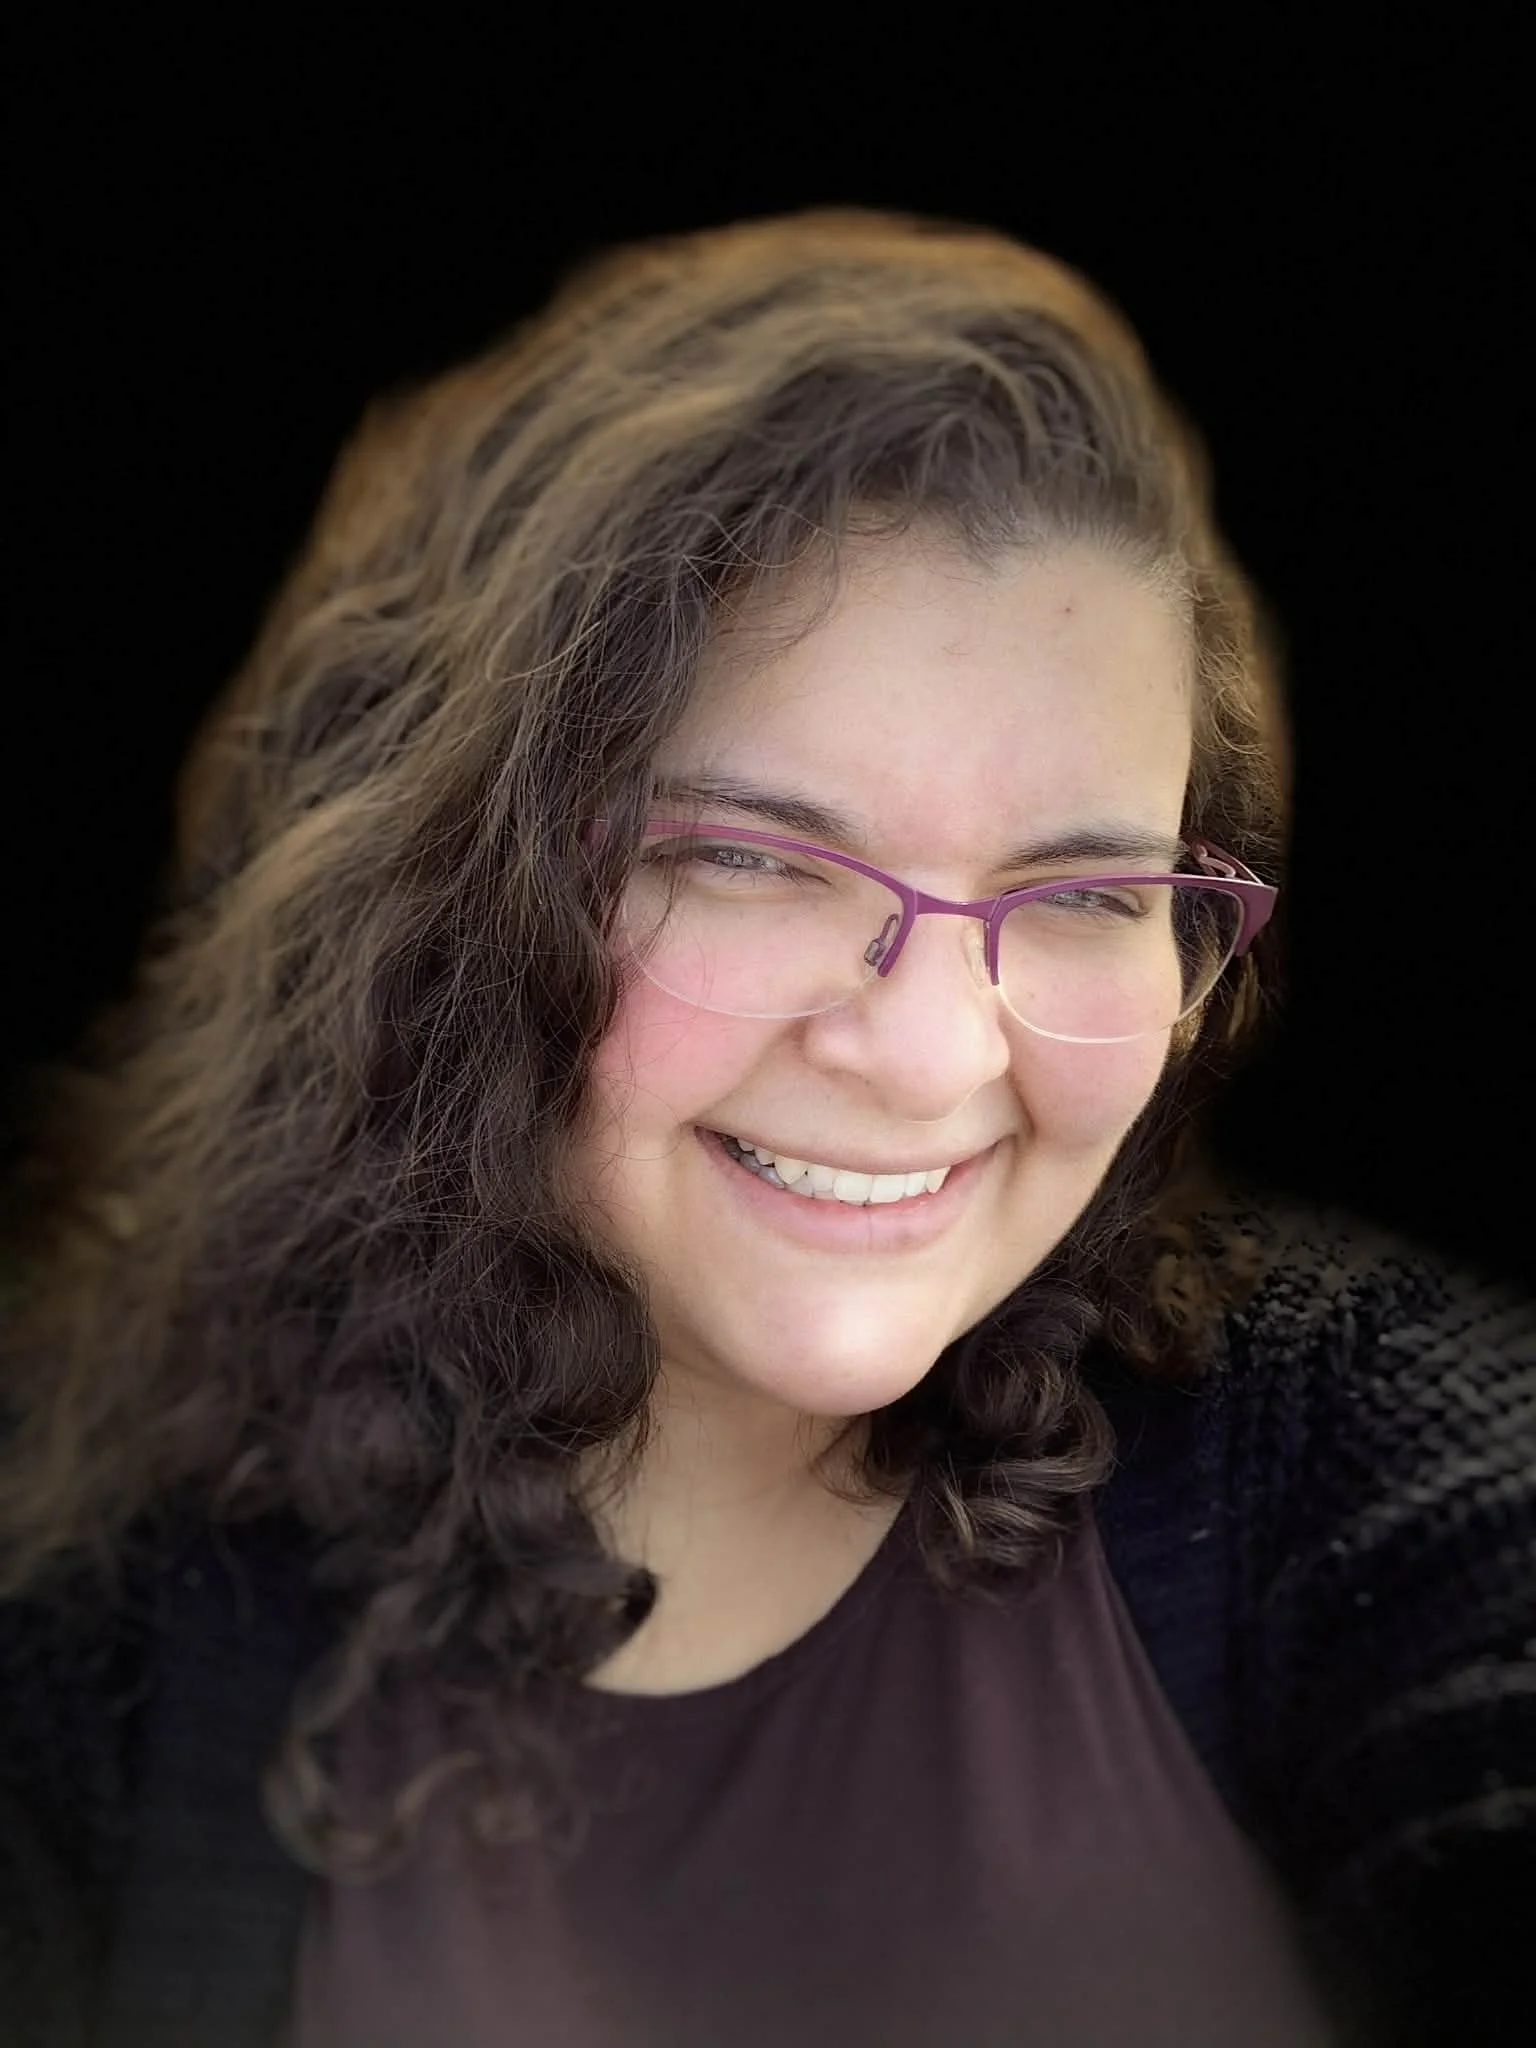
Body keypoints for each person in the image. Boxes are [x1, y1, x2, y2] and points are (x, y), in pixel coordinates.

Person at [0, 207, 1530, 2048]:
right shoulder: (100, 1612)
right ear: (452, 892)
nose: (922, 1050)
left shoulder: (1356, 1448)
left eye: (1083, 893)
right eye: (748, 860)